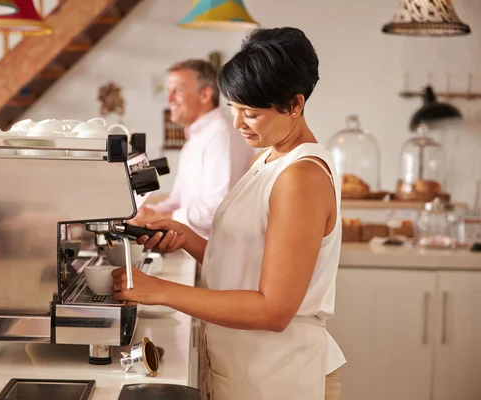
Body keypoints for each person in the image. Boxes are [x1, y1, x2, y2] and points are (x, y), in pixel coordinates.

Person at [113, 27, 346, 399]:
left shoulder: (301, 176)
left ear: (295, 105)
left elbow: (273, 309)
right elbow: (246, 263)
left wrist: (159, 291)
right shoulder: (269, 158)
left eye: (250, 113)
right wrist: (187, 238)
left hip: (280, 376)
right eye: (233, 108)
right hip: (249, 368)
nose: (237, 123)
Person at [134, 59, 253, 239]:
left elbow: (218, 210)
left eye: (177, 91)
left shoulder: (221, 135)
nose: (169, 99)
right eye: (168, 91)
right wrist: (147, 213)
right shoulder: (195, 138)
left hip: (215, 252)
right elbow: (178, 201)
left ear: (205, 95)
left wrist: (162, 218)